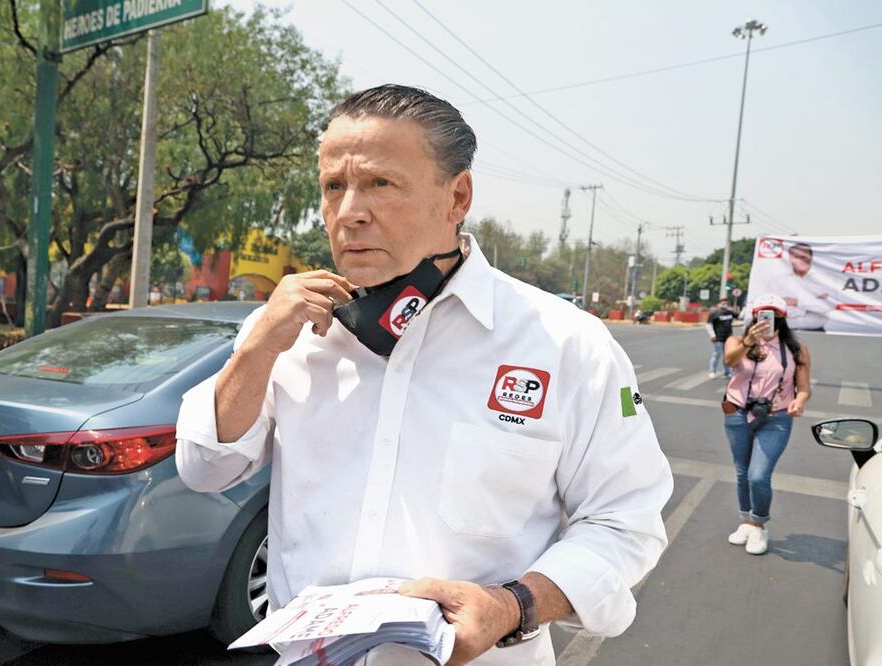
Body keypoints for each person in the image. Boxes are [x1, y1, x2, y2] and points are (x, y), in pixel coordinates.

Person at [175, 85, 673, 665]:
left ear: (456, 196)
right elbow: (206, 467)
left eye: (380, 184)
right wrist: (257, 349)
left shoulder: (565, 343)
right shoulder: (285, 329)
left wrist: (513, 606)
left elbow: (625, 520)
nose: (349, 212)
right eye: (334, 186)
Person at [722, 294, 811, 555]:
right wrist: (749, 340)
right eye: (761, 315)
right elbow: (729, 360)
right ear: (753, 317)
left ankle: (759, 524)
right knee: (742, 472)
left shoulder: (796, 349)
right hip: (737, 414)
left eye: (773, 315)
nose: (766, 320)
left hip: (776, 418)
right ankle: (747, 522)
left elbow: (804, 387)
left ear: (782, 319)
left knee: (758, 475)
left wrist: (800, 401)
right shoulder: (737, 341)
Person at [706, 298, 735, 379]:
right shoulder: (714, 313)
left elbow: (740, 316)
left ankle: (727, 372)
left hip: (729, 338)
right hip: (718, 338)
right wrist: (712, 335)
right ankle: (712, 371)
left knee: (727, 356)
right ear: (718, 304)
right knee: (716, 354)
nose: (724, 305)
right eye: (722, 303)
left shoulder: (730, 313)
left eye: (726, 303)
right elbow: (708, 325)